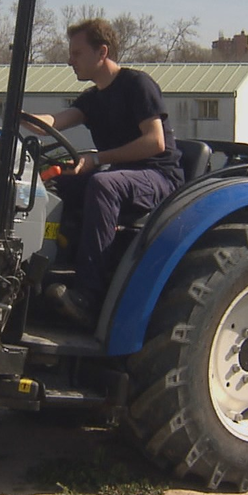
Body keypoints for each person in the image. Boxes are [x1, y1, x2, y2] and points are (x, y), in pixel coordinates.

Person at [24, 18, 183, 327]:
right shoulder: (93, 98)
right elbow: (53, 122)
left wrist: (98, 159)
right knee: (57, 183)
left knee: (102, 184)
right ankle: (44, 269)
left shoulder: (137, 85)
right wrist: (21, 115)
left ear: (102, 52)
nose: (70, 61)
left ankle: (88, 296)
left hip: (159, 177)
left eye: (77, 53)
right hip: (121, 174)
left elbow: (155, 142)